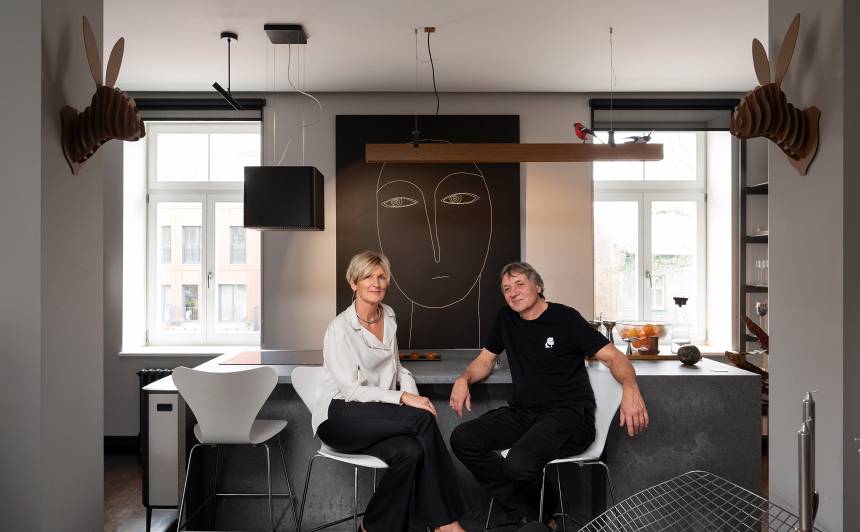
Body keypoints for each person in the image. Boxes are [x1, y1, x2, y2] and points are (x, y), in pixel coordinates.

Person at [449, 262, 649, 529]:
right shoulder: (505, 318)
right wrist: (464, 378)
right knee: (463, 438)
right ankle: (534, 513)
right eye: (506, 289)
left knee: (519, 463)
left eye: (519, 284)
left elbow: (614, 357)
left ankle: (537, 517)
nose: (513, 292)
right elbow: (486, 360)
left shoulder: (566, 319)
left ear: (538, 286)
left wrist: (630, 387)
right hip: (523, 414)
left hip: (569, 416)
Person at [312, 250, 467, 532]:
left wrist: (412, 396)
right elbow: (351, 391)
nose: (376, 282)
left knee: (410, 452)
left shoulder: (389, 316)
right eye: (367, 277)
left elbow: (398, 369)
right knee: (422, 420)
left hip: (374, 416)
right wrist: (402, 398)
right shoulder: (340, 329)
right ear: (353, 283)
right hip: (338, 417)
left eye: (381, 277)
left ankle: (371, 527)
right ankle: (445, 522)